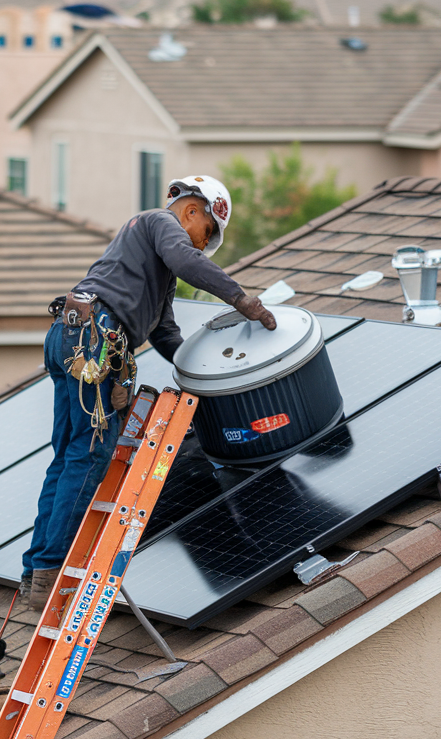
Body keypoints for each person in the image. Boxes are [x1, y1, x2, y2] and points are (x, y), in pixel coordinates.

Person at [22, 175, 277, 610]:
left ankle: (36, 570)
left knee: (68, 456)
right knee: (88, 457)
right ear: (194, 210)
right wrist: (243, 301)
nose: (201, 244)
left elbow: (163, 331)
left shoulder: (154, 264)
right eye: (207, 233)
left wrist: (202, 371)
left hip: (73, 335)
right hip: (93, 340)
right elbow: (186, 259)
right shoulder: (160, 222)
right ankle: (51, 572)